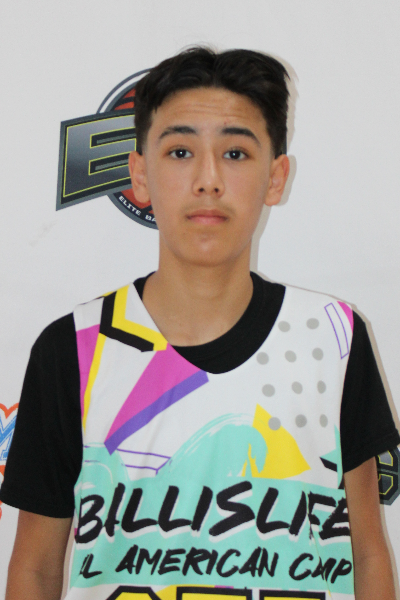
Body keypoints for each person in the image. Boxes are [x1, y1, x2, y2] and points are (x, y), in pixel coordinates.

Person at [1, 47, 399, 600]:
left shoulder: (333, 337)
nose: (208, 179)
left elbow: (367, 554)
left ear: (275, 177)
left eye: (235, 152)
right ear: (140, 174)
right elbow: (36, 569)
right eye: (181, 151)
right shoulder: (73, 348)